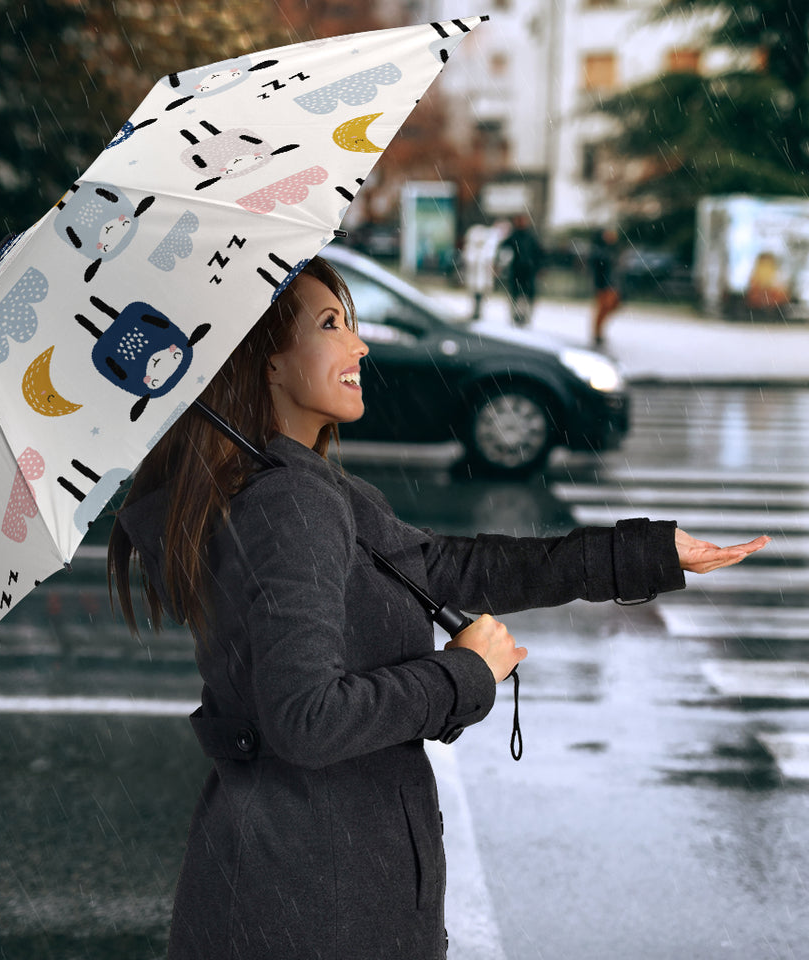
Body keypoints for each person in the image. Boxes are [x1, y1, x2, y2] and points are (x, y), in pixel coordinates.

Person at [107, 257, 768, 960]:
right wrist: (463, 673)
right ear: (265, 363)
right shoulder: (288, 503)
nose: (359, 345)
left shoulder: (298, 488)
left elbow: (452, 568)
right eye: (331, 325)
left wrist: (645, 554)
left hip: (302, 884)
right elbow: (305, 720)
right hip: (316, 903)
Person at [497, 213, 544, 327]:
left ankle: (524, 316)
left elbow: (539, 253)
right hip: (517, 270)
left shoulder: (530, 237)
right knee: (516, 294)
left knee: (526, 295)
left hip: (528, 271)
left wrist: (539, 267)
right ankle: (516, 315)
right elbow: (503, 249)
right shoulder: (514, 236)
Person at [590, 226, 622, 346]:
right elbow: (599, 265)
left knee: (611, 306)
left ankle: (599, 331)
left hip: (612, 283)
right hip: (604, 284)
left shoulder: (612, 249)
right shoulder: (600, 250)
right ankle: (597, 333)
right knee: (603, 307)